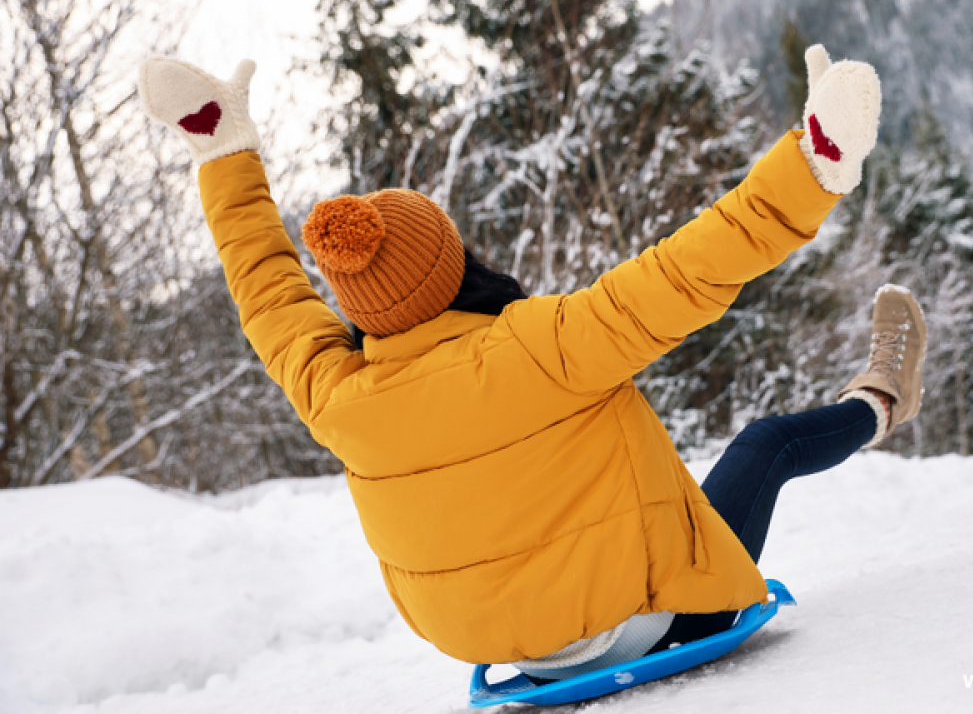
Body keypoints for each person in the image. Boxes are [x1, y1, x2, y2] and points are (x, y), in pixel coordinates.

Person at [136, 44, 927, 679]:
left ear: (355, 310)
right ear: (455, 263)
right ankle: (883, 394)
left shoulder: (336, 391)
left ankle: (876, 394)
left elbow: (266, 290)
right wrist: (813, 166)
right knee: (767, 445)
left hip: (514, 652)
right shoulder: (541, 345)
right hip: (648, 621)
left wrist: (224, 152)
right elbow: (692, 266)